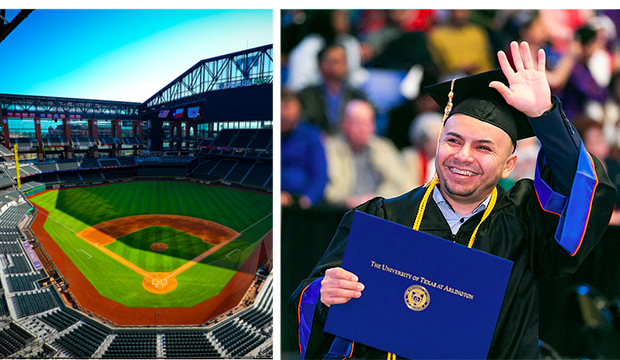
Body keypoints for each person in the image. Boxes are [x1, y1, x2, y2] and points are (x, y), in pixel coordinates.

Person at [289, 41, 615, 359]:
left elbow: (584, 190)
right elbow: (305, 299)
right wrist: (323, 294)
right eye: (453, 140)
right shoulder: (380, 218)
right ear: (437, 143)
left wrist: (545, 116)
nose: (463, 156)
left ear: (509, 165)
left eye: (483, 147)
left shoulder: (528, 225)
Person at [323, 99, 409, 209]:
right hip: (340, 212)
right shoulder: (330, 148)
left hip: (379, 211)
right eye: (357, 122)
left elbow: (400, 184)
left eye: (368, 122)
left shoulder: (384, 148)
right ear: (344, 123)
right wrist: (348, 200)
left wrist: (376, 199)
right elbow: (327, 189)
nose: (363, 128)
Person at [298, 43, 369, 133]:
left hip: (347, 144)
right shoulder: (306, 95)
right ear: (320, 65)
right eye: (334, 61)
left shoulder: (357, 96)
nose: (340, 66)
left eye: (343, 61)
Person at [281, 90, 328, 208]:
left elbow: (320, 176)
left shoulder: (311, 135)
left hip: (301, 204)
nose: (286, 123)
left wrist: (304, 201)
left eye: (290, 119)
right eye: (282, 118)